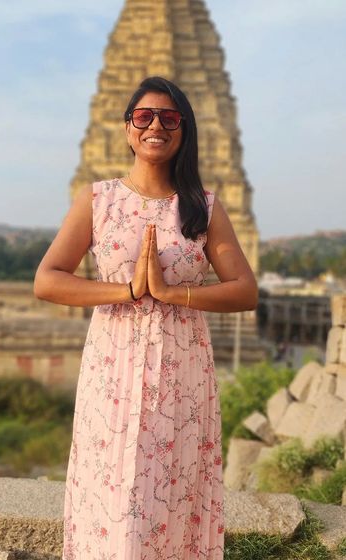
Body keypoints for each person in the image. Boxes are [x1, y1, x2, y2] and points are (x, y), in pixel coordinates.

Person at [34, 76, 258, 560]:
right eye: (144, 116)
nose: (156, 125)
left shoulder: (203, 205)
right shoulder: (97, 200)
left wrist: (175, 293)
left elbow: (245, 290)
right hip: (111, 371)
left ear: (185, 130)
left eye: (170, 118)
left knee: (171, 492)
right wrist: (129, 289)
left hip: (183, 373)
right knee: (116, 491)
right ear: (127, 128)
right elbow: (48, 279)